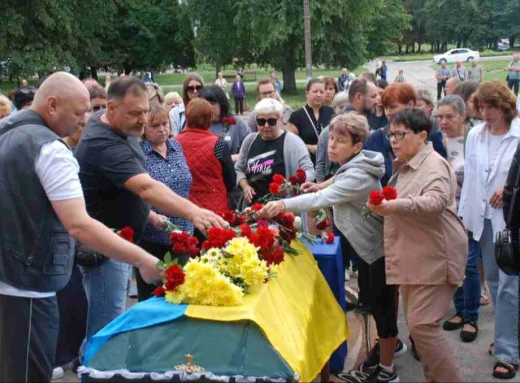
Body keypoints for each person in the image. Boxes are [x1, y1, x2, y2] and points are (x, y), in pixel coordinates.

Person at [0, 72, 162, 382]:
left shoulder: (6, 131)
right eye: (78, 112)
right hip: (28, 285)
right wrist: (142, 259)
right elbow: (80, 225)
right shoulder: (49, 148)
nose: (84, 120)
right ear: (51, 104)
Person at [74, 76, 227, 362]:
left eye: (145, 111)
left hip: (123, 239)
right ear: (110, 108)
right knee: (105, 330)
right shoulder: (103, 142)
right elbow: (144, 186)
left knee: (110, 321)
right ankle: (94, 370)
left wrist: (150, 215)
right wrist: (193, 211)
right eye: (135, 113)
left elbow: (122, 189)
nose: (143, 120)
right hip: (107, 247)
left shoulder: (114, 125)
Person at [259, 113, 401, 383]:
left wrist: (283, 204)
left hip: (379, 251)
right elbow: (336, 181)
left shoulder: (358, 174)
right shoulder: (354, 164)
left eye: (340, 141)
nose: (332, 145)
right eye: (331, 138)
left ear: (357, 146)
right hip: (368, 250)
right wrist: (321, 182)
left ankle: (387, 369)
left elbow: (326, 196)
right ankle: (387, 348)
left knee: (381, 307)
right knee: (371, 300)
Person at [368, 108, 467, 382]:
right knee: (419, 326)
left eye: (400, 134)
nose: (393, 141)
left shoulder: (434, 165)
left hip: (436, 256)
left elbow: (434, 202)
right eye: (391, 134)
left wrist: (392, 206)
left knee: (423, 326)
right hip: (416, 257)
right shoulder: (408, 162)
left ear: (422, 135)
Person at [458, 80, 520, 379]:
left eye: (491, 106)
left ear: (505, 106)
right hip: (482, 217)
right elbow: (470, 177)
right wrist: (466, 218)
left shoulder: (518, 136)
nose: (486, 113)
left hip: (511, 219)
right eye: (481, 107)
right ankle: (509, 336)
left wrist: (507, 189)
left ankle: (507, 351)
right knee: (495, 283)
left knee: (509, 286)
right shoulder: (475, 135)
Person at [435, 96, 482, 342]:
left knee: (469, 263)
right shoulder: (436, 140)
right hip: (446, 211)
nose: (443, 122)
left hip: (471, 208)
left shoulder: (475, 138)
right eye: (440, 117)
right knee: (452, 262)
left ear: (463, 116)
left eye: (449, 116)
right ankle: (460, 309)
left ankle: (472, 317)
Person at [137, 103, 193, 301]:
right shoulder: (138, 153)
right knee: (154, 295)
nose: (162, 130)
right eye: (155, 126)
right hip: (153, 234)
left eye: (165, 124)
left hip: (183, 232)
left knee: (183, 291)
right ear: (144, 127)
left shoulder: (176, 146)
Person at [175, 98, 236, 242]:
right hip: (215, 210)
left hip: (185, 210)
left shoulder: (174, 143)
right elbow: (231, 179)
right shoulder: (218, 144)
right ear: (209, 118)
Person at [364, 82, 447, 186]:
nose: (388, 112)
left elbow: (440, 176)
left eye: (393, 107)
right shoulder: (374, 139)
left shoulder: (431, 136)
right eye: (385, 108)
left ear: (410, 105)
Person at [235, 98, 314, 206]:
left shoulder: (294, 142)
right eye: (261, 121)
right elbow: (239, 169)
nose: (266, 126)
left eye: (271, 121)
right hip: (253, 208)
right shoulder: (249, 141)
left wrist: (291, 184)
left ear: (281, 119)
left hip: (283, 208)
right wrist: (245, 186)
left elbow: (309, 171)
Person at [286, 78, 334, 164]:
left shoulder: (331, 112)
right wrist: (310, 148)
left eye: (321, 92)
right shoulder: (296, 116)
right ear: (307, 93)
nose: (318, 95)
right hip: (306, 161)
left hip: (329, 161)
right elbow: (289, 143)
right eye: (315, 92)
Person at [198, 85, 251, 163]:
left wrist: (228, 159)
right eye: (204, 104)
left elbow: (252, 150)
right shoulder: (196, 123)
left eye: (212, 103)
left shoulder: (237, 123)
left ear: (221, 104)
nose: (208, 107)